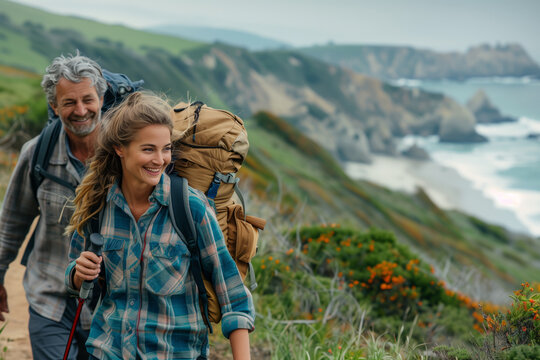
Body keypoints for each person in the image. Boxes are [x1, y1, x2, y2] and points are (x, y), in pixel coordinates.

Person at [65, 92, 254, 360]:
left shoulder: (191, 208)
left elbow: (234, 296)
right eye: (148, 149)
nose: (160, 160)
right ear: (120, 148)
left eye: (166, 149)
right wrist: (77, 273)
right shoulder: (98, 207)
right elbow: (73, 278)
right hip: (107, 352)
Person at [0, 53, 107, 359]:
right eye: (69, 102)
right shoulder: (36, 155)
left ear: (101, 97)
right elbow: (11, 224)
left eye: (88, 99)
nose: (81, 110)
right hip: (51, 301)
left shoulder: (123, 154)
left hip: (110, 309)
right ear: (54, 106)